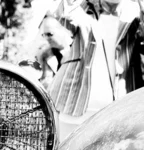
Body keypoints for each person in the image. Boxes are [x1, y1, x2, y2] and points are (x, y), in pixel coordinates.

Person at [42, 0, 144, 141]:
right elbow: (63, 13)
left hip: (117, 110)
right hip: (73, 102)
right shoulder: (83, 7)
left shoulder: (135, 12)